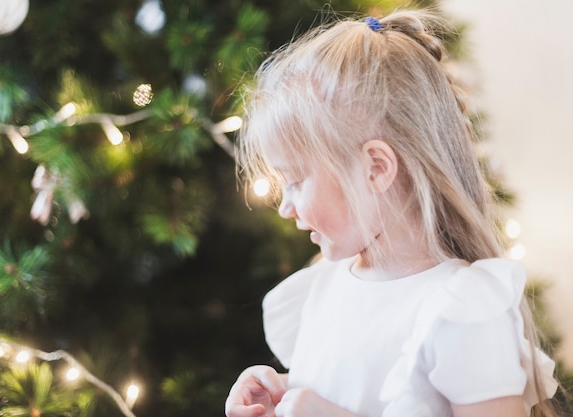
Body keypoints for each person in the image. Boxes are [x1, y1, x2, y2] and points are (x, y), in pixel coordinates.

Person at [225, 8, 560, 417]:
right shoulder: (325, 284)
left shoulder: (462, 312)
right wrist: (282, 389)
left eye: (295, 181)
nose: (285, 206)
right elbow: (352, 387)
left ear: (376, 168)